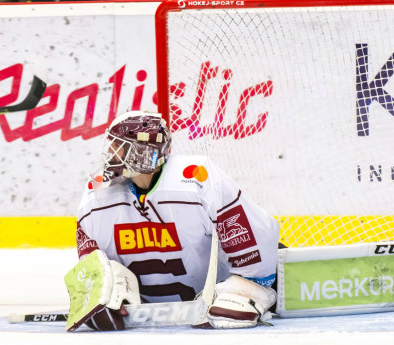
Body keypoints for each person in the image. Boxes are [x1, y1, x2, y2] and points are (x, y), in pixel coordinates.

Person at [68, 111, 280, 331]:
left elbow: (251, 229)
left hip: (213, 295)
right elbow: (90, 255)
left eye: (118, 146)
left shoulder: (195, 177)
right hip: (145, 306)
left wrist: (249, 287)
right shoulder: (97, 194)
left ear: (142, 152)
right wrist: (100, 292)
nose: (110, 154)